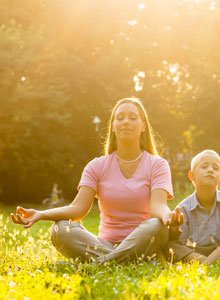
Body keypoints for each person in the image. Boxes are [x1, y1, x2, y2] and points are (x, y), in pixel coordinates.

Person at [11, 98, 178, 263]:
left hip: (142, 240)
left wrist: (166, 215)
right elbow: (77, 209)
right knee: (60, 229)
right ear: (113, 127)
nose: (126, 122)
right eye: (120, 118)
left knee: (157, 226)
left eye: (133, 118)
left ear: (143, 126)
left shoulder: (158, 165)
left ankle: (99, 263)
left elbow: (158, 206)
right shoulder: (97, 166)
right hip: (102, 244)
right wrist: (41, 214)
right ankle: (124, 260)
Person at [163, 150, 220, 264]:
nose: (210, 170)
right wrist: (174, 231)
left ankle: (205, 265)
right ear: (192, 176)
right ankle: (210, 263)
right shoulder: (184, 208)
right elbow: (178, 243)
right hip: (196, 253)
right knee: (170, 245)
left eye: (215, 168)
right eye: (204, 166)